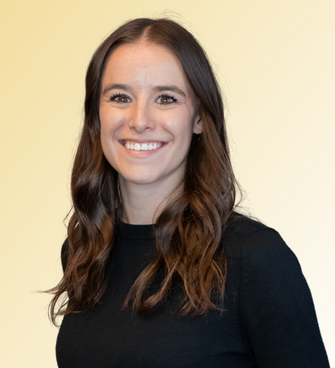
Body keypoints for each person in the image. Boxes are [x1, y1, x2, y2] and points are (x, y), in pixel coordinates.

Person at [49, 18, 330, 368]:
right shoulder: (87, 251)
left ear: (198, 117)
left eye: (166, 98)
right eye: (120, 97)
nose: (139, 119)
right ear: (96, 115)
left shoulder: (253, 259)